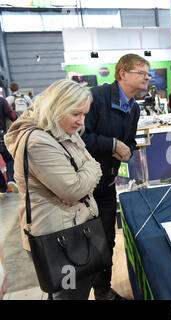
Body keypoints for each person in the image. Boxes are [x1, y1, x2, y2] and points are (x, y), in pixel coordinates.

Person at [3, 79, 102, 300]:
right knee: (70, 294)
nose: (81, 121)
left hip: (70, 227)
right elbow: (73, 189)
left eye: (84, 114)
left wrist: (85, 173)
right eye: (76, 114)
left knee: (68, 292)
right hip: (59, 235)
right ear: (57, 107)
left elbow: (85, 166)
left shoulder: (59, 128)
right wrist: (91, 171)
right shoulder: (39, 141)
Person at [82, 53, 150, 300]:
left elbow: (129, 141)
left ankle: (103, 292)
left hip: (108, 183)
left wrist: (127, 150)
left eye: (147, 73)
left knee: (107, 241)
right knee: (82, 245)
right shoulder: (96, 97)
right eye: (141, 72)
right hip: (83, 188)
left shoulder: (134, 108)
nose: (147, 77)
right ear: (122, 73)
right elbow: (79, 137)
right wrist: (112, 144)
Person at [0, 97, 18, 197]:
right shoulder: (2, 101)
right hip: (1, 135)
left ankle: (2, 188)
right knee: (9, 159)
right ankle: (11, 179)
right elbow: (12, 116)